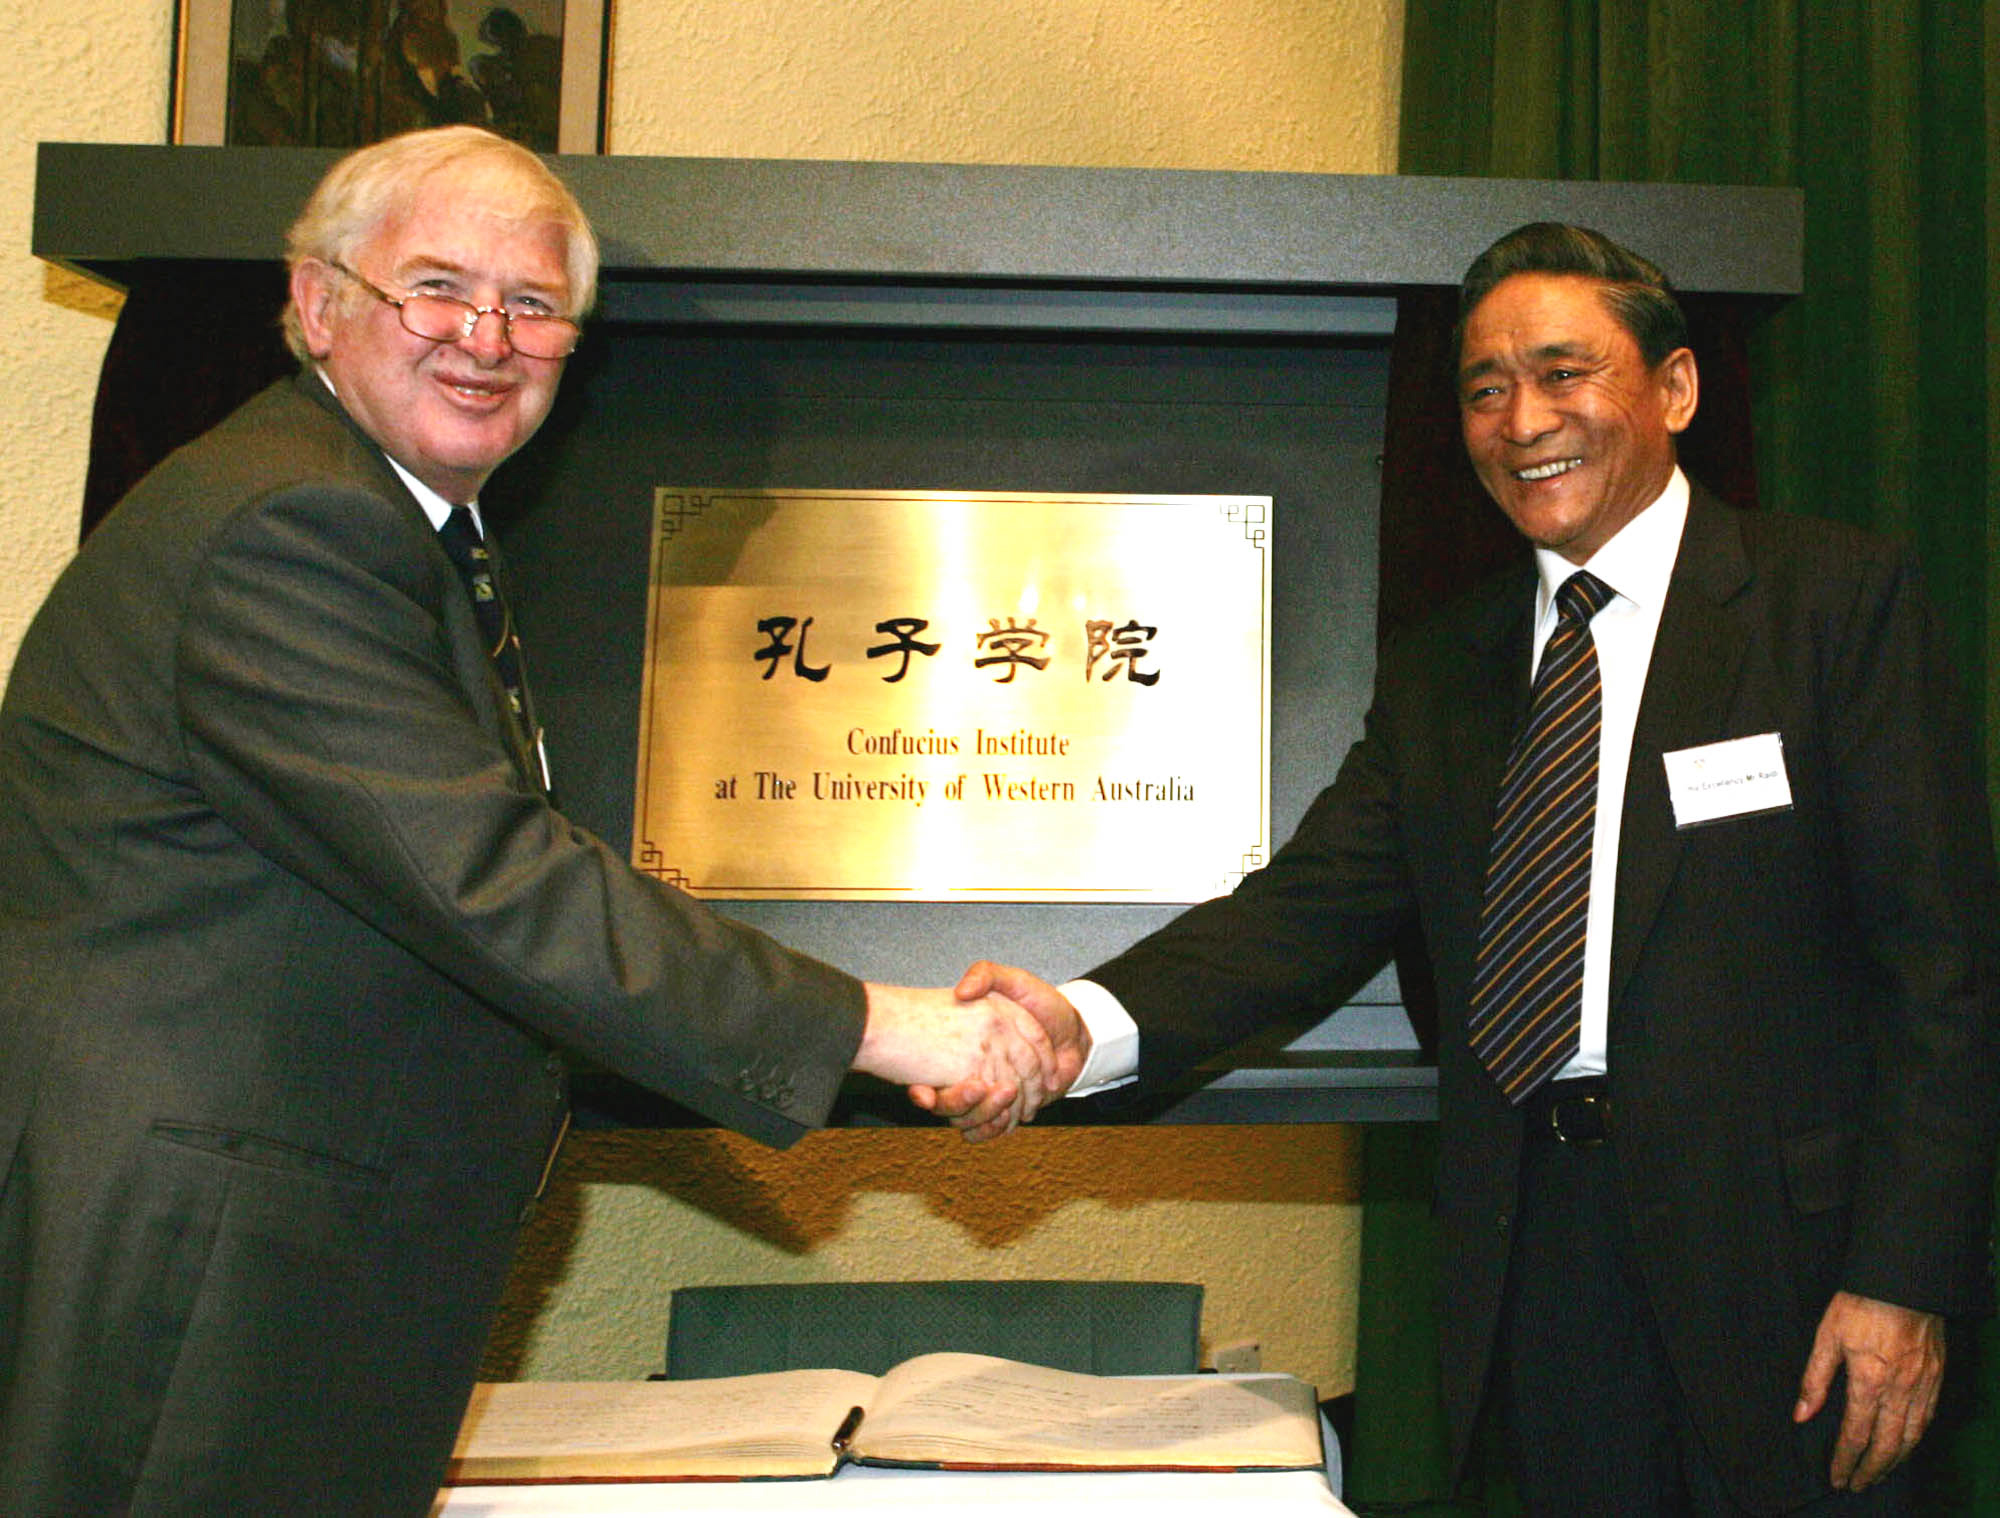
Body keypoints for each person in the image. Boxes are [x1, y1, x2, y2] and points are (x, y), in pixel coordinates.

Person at [0, 126, 1081, 1516]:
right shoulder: (290, 523)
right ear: (318, 303)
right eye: (436, 289)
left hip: (244, 1248)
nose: (485, 339)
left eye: (532, 306)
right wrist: (884, 1024)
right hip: (197, 1268)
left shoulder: (390, 520)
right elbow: (502, 885)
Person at [939, 222, 2000, 1514]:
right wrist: (1082, 1023)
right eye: (1486, 389)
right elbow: (1305, 908)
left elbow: (1942, 970)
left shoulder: (1829, 604)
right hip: (1538, 1258)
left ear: (1674, 387)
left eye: (1563, 373)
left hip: (1791, 1269)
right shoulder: (1447, 668)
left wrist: (1905, 1274)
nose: (1522, 420)